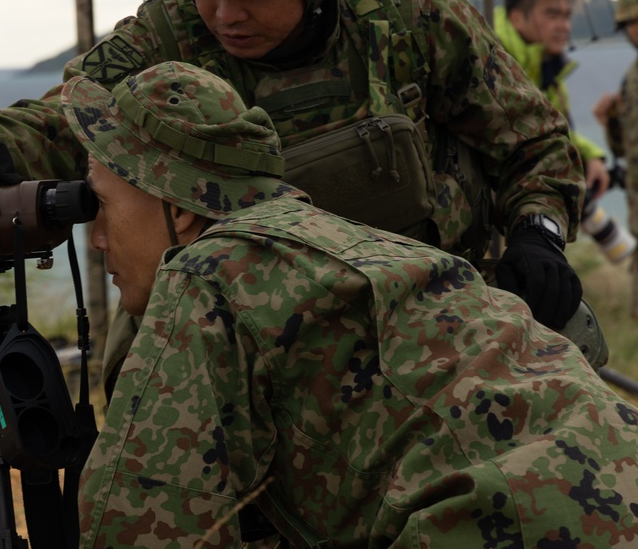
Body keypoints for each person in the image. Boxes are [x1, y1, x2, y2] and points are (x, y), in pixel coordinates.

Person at [0, 0, 586, 387]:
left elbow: (532, 143)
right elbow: (68, 117)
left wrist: (539, 234)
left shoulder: (404, 15)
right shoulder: (173, 33)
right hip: (250, 346)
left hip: (432, 325)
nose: (224, 13)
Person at [64, 60, 638, 548]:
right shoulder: (347, 241)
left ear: (180, 207)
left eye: (103, 204)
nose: (96, 238)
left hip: (501, 519)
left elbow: (139, 520)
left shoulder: (207, 271)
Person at [495, 0, 634, 264]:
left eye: (567, 16)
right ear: (517, 18)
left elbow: (552, 127)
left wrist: (591, 155)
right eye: (552, 15)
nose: (564, 26)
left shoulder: (546, 66)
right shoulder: (497, 63)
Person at [594, 0, 638, 317]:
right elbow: (625, 149)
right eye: (629, 23)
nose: (635, 30)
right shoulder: (632, 77)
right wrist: (610, 121)